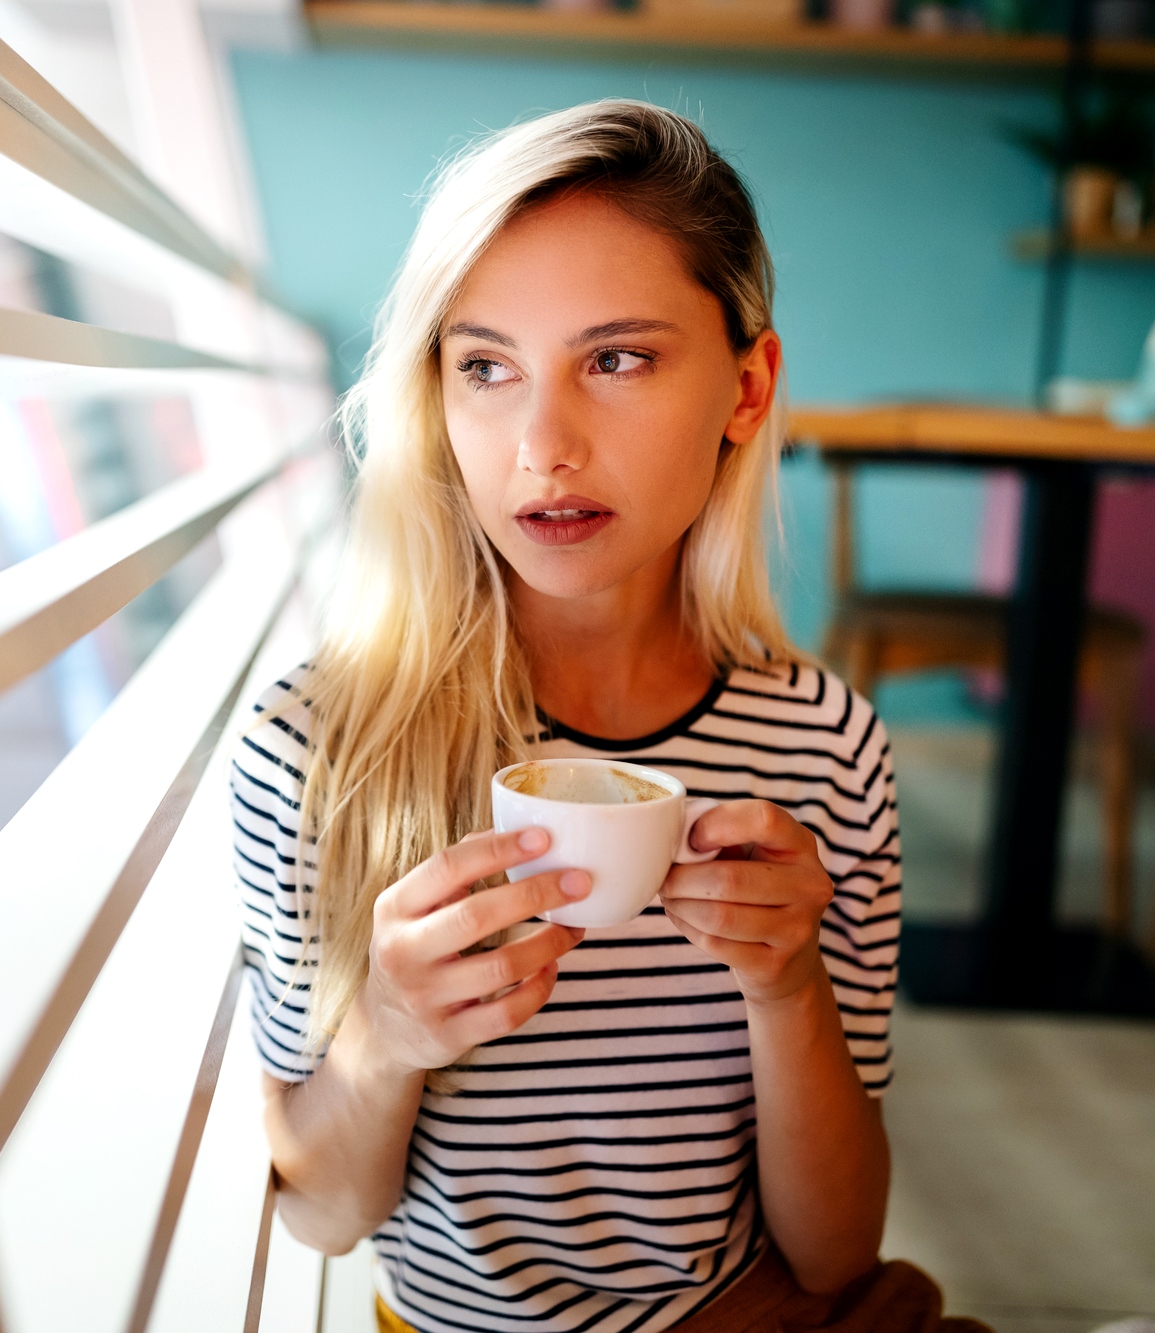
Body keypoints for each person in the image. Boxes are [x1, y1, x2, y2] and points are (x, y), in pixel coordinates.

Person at [230, 100, 977, 1333]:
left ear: (746, 389)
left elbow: (837, 1251)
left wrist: (788, 986)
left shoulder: (821, 746)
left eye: (616, 360)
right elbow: (321, 1214)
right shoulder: (317, 751)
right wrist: (386, 1037)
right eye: (485, 367)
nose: (543, 445)